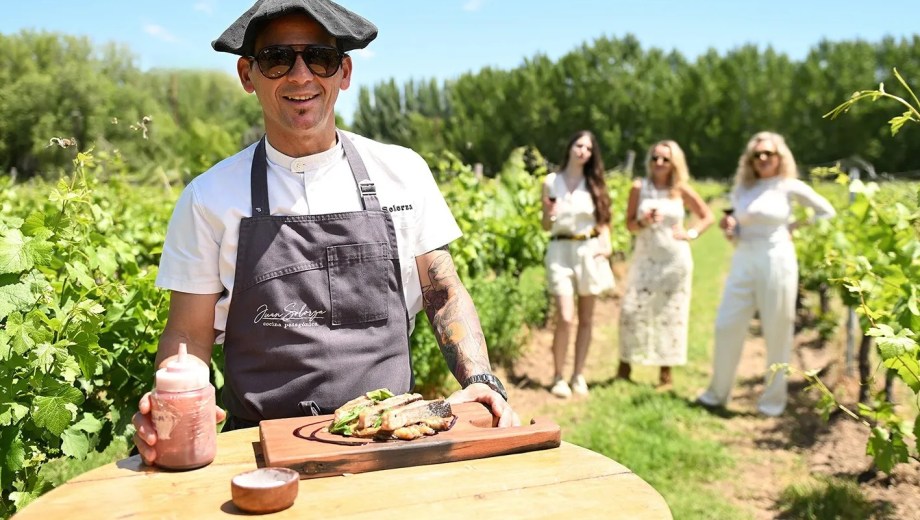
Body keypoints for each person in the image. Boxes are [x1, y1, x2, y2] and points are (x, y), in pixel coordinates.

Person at [132, 0, 519, 465]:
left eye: (320, 57)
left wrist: (481, 379)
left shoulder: (401, 172)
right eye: (277, 59)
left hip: (391, 438)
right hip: (257, 450)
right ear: (246, 75)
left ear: (345, 72)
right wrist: (173, 403)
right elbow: (188, 334)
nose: (300, 76)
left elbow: (442, 290)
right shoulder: (208, 198)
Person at [697, 131, 836, 416]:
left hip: (777, 258)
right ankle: (717, 393)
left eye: (768, 154)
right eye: (756, 155)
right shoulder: (743, 189)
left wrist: (794, 228)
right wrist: (729, 229)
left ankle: (772, 401)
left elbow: (826, 212)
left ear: (779, 157)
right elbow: (736, 230)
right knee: (727, 324)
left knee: (777, 329)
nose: (762, 159)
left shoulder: (788, 186)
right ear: (749, 160)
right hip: (744, 257)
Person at [617, 140, 714, 388]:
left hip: (674, 259)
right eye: (654, 158)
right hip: (645, 256)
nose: (659, 163)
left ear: (674, 164)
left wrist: (690, 234)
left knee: (670, 313)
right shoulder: (639, 187)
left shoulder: (681, 190)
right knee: (633, 309)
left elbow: (707, 216)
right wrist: (644, 222)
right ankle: (625, 364)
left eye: (664, 159)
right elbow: (629, 224)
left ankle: (665, 371)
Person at [542, 130, 614, 398]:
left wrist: (606, 244)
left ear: (591, 154)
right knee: (565, 316)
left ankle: (578, 374)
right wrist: (549, 215)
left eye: (588, 148)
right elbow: (545, 224)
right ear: (570, 147)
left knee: (586, 318)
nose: (582, 150)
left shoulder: (594, 183)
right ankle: (559, 375)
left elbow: (604, 220)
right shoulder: (551, 182)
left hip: (588, 250)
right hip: (560, 250)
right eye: (578, 145)